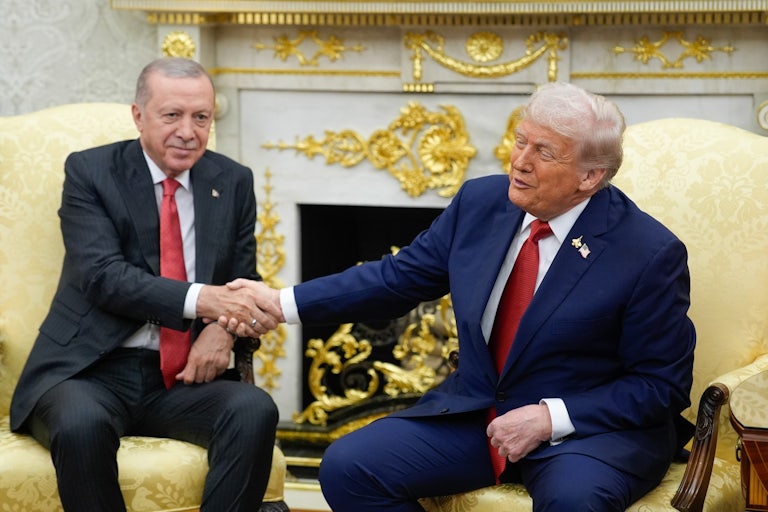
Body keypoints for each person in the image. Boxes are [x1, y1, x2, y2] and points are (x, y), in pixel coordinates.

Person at [226, 82, 696, 511]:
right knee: (351, 467)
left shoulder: (648, 253)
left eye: (544, 152)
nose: (519, 161)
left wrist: (550, 417)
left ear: (590, 177)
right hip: (479, 413)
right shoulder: (482, 204)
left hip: (587, 434)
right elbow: (396, 278)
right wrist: (281, 302)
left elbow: (660, 385)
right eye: (520, 140)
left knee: (575, 502)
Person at [10, 57, 279, 512]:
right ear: (139, 115)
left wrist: (222, 329)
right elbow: (104, 278)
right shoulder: (91, 172)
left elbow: (242, 280)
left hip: (182, 379)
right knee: (81, 425)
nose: (188, 131)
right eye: (171, 115)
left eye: (201, 117)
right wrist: (204, 302)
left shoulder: (232, 180)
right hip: (89, 369)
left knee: (255, 408)